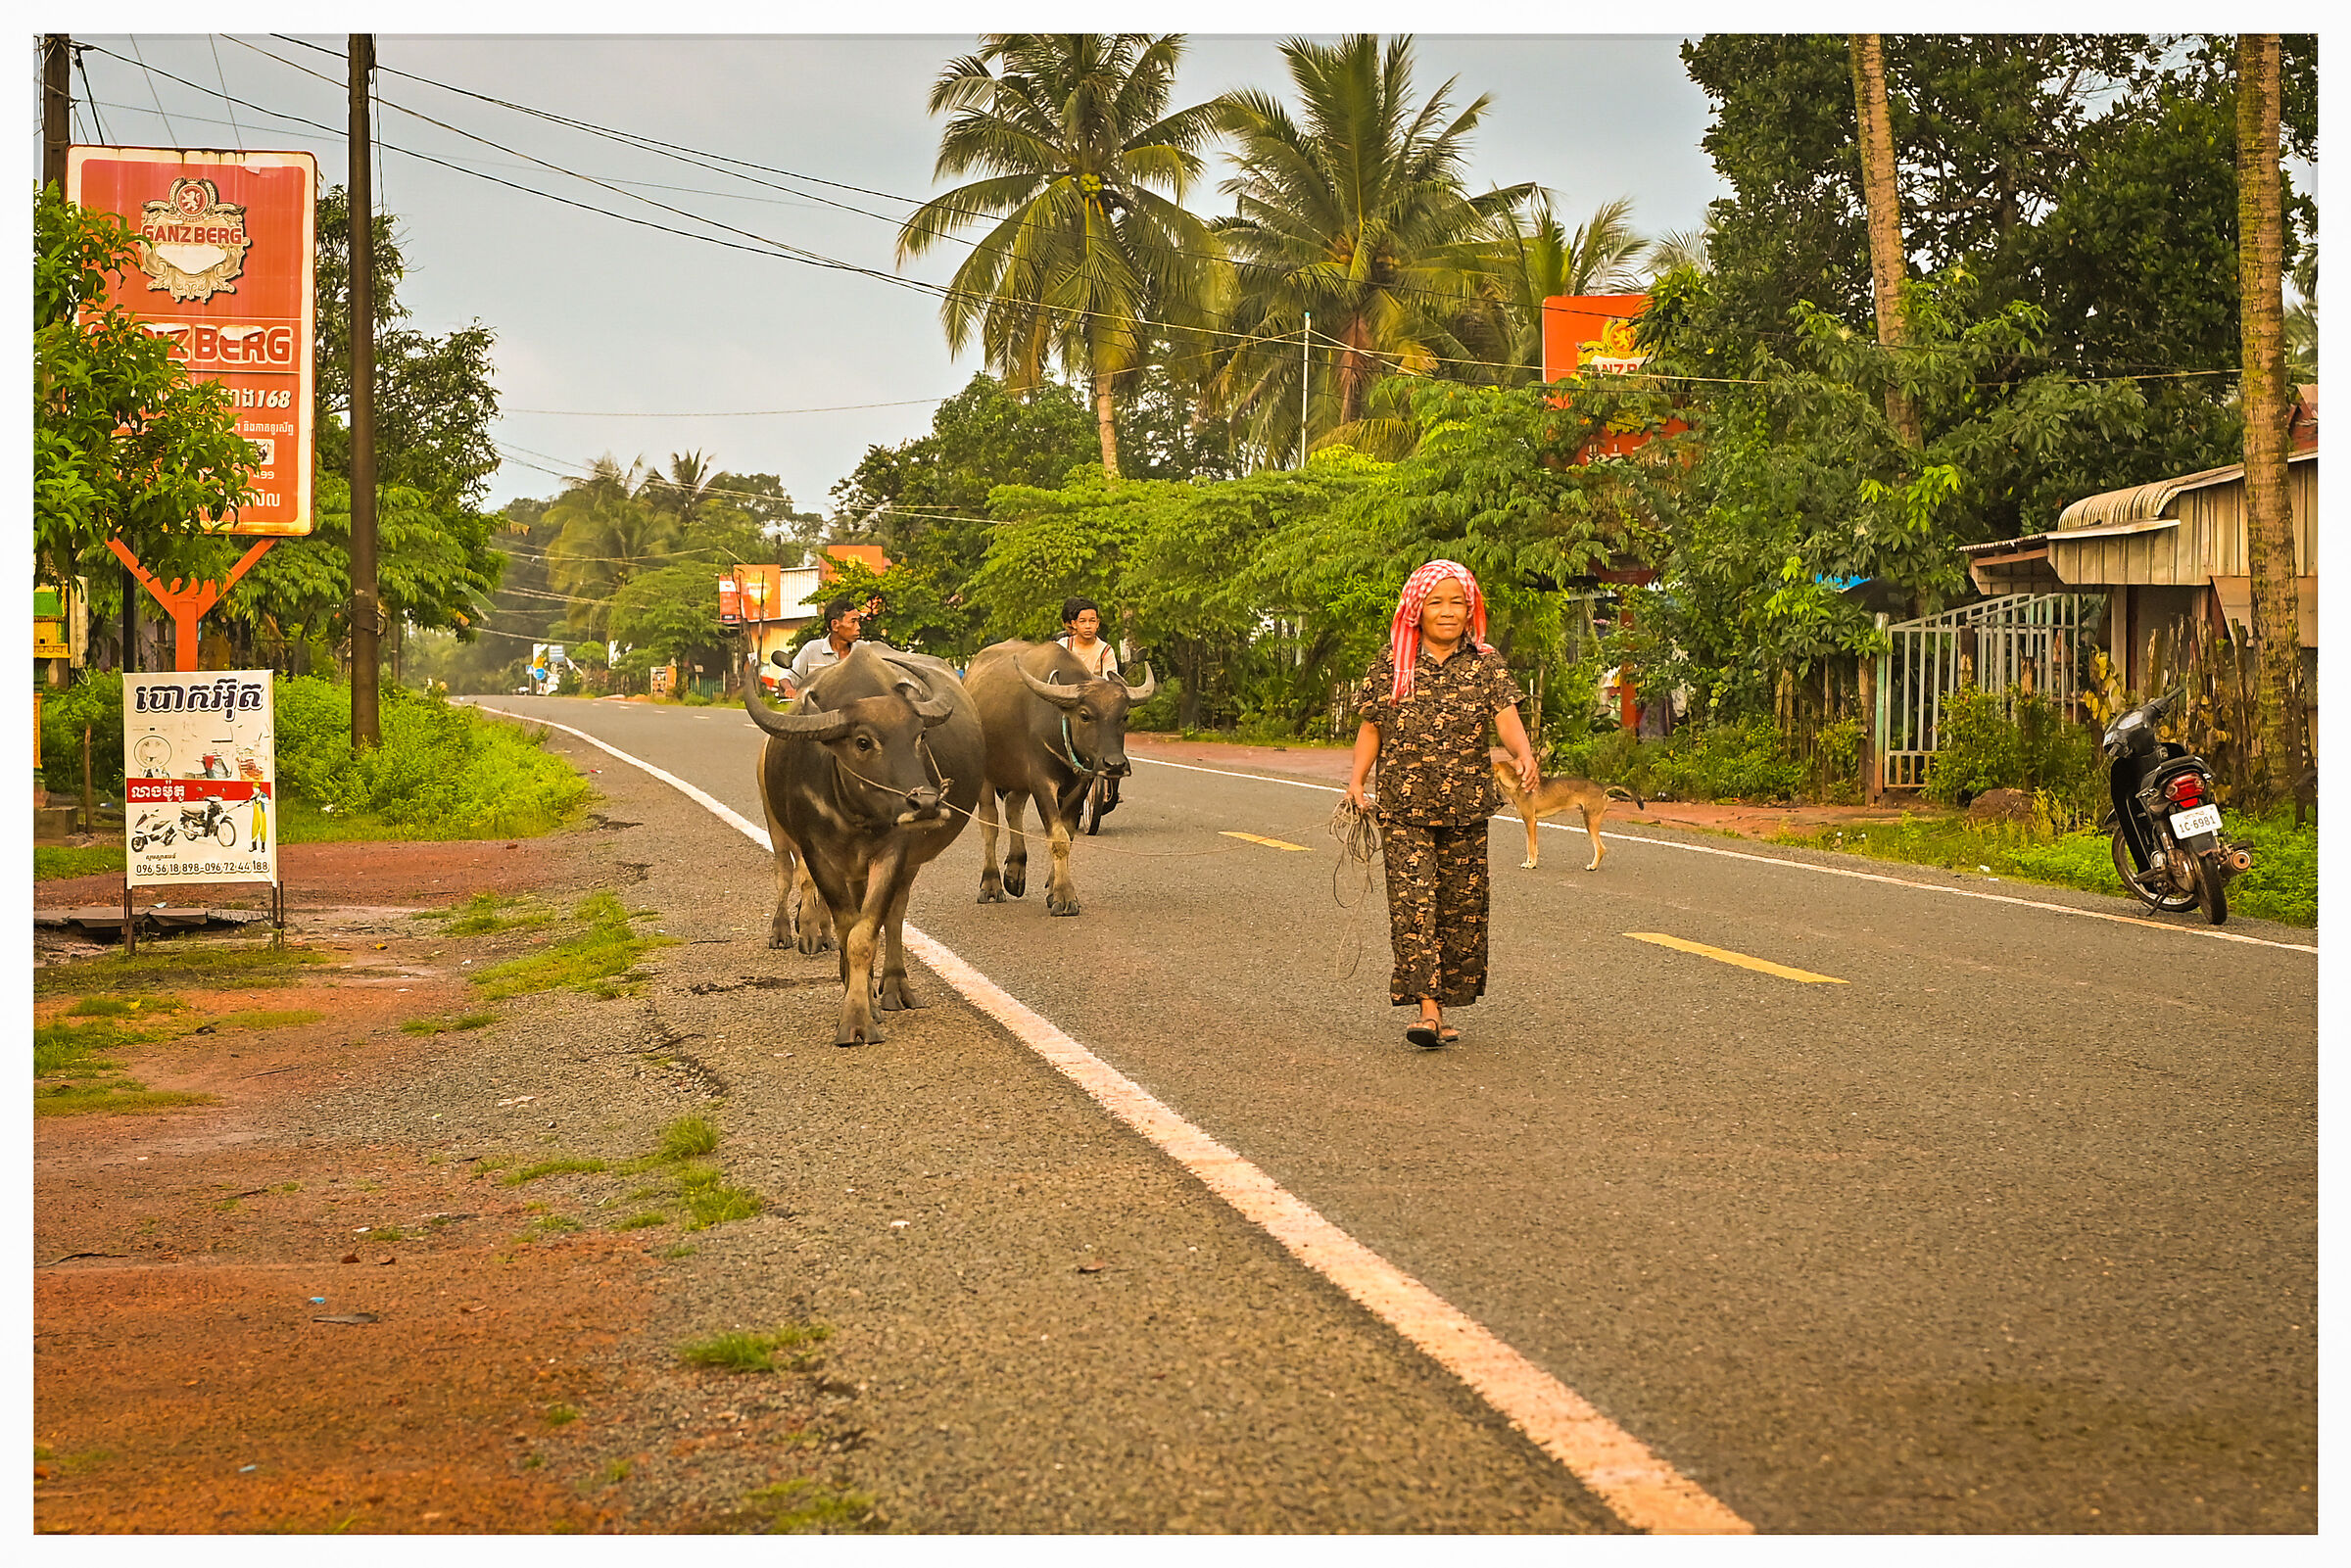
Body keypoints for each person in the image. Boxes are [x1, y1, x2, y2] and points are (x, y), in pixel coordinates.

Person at [1344, 560, 1540, 1049]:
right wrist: (1356, 782)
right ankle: (1426, 1011)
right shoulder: (1392, 663)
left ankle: (1445, 1005)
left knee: (1462, 910)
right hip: (1402, 808)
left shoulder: (1486, 663)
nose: (1448, 612)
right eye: (1437, 602)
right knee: (1414, 905)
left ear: (1469, 608)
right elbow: (1372, 726)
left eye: (1457, 602)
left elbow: (1505, 715)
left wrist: (1523, 753)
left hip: (1467, 806)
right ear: (1417, 609)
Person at [1057, 596, 1124, 818]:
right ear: (1072, 624)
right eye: (1083, 621)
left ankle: (1113, 785)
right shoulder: (1062, 647)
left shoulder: (1105, 650)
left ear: (1098, 623)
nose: (1088, 626)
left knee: (1114, 732)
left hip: (1097, 704)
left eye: (1092, 621)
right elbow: (1053, 674)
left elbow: (1111, 677)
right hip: (1070, 702)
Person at [785, 596, 893, 692]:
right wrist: (789, 689)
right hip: (818, 713)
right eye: (853, 621)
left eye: (859, 622)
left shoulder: (865, 650)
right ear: (835, 625)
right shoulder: (812, 649)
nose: (858, 627)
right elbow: (788, 678)